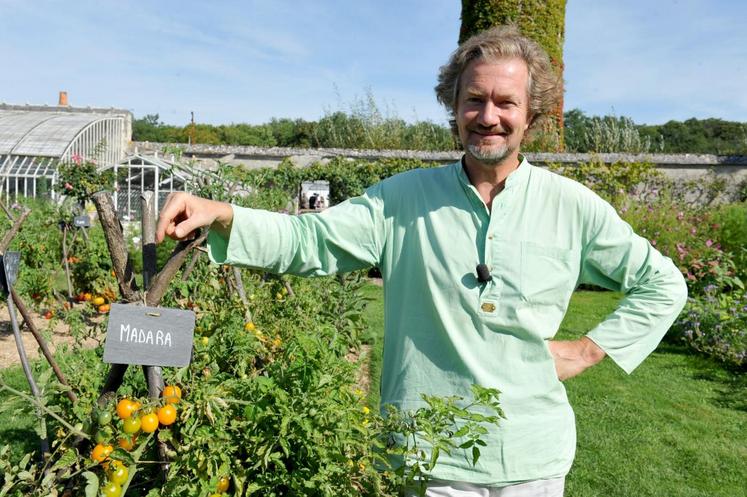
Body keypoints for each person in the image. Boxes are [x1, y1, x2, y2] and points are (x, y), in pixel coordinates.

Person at [156, 25, 687, 497]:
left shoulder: (572, 207)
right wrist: (222, 213)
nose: (488, 116)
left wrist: (588, 350)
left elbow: (662, 283)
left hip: (531, 459)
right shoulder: (402, 200)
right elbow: (308, 240)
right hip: (426, 457)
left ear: (532, 115)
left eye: (506, 102)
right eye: (474, 100)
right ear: (453, 108)